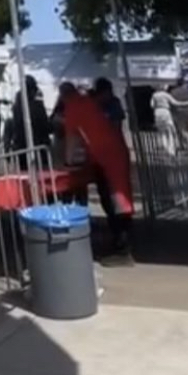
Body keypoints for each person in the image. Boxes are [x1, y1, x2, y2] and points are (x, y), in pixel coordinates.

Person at [60, 84, 133, 258]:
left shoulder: (72, 109)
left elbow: (72, 140)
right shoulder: (88, 101)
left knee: (111, 198)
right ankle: (123, 237)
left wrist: (69, 162)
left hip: (105, 156)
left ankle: (122, 243)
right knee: (120, 195)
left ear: (63, 97)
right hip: (116, 150)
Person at [150, 85, 179, 156]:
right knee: (170, 131)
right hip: (165, 111)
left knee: (162, 132)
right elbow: (175, 102)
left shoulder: (154, 95)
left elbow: (152, 105)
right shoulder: (166, 95)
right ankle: (171, 150)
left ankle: (165, 147)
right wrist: (186, 103)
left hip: (157, 112)